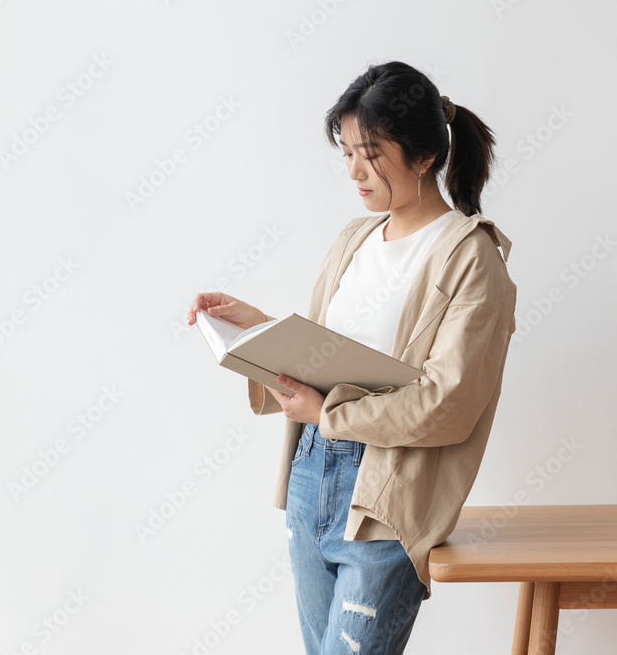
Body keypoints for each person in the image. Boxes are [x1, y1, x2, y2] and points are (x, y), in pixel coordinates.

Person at [185, 60, 517, 654]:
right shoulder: (354, 240)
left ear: (424, 156)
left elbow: (450, 403)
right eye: (346, 152)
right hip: (312, 472)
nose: (354, 171)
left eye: (371, 153)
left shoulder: (471, 257)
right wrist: (254, 325)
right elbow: (334, 355)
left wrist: (330, 416)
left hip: (387, 493)